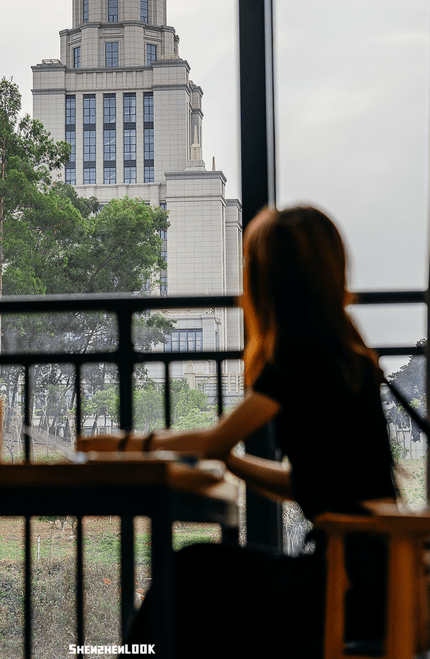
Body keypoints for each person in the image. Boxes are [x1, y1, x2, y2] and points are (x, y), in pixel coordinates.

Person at [77, 205, 397, 658]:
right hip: (379, 581)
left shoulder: (299, 355)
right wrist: (232, 460)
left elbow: (214, 439)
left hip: (345, 585)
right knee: (201, 581)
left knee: (192, 572)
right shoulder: (345, 355)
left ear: (271, 282)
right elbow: (312, 484)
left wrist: (126, 444)